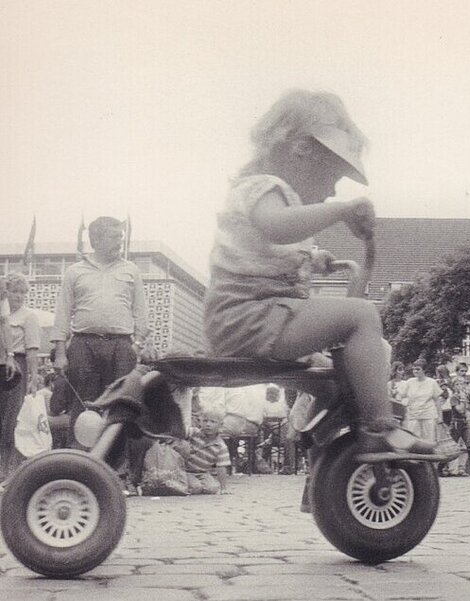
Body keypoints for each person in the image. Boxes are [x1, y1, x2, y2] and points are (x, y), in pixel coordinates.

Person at [202, 89, 433, 457]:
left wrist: (314, 257)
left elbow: (270, 247)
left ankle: (329, 456)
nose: (332, 189)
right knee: (361, 315)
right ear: (301, 149)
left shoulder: (272, 195)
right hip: (249, 319)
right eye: (332, 176)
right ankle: (379, 428)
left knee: (333, 378)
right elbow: (277, 227)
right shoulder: (261, 188)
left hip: (258, 319)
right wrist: (341, 211)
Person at [51, 216, 152, 445]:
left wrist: (136, 345)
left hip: (121, 345)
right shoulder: (75, 271)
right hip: (83, 344)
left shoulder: (131, 270)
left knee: (121, 407)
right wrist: (59, 353)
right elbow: (63, 314)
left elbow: (141, 312)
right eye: (115, 237)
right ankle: (79, 464)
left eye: (121, 237)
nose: (120, 242)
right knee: (83, 406)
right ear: (96, 239)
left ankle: (118, 470)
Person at [0, 273, 41, 480]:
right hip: (1, 365)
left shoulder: (28, 316)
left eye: (22, 292)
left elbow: (32, 350)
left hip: (18, 367)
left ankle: (10, 471)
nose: (18, 296)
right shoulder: (2, 314)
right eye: (14, 291)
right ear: (5, 292)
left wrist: (34, 377)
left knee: (12, 420)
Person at [175, 407, 231, 495]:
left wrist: (223, 488)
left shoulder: (220, 446)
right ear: (200, 422)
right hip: (185, 470)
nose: (208, 424)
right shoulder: (193, 433)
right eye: (205, 421)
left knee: (212, 488)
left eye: (213, 422)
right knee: (196, 487)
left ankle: (191, 486)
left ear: (221, 425)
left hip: (202, 473)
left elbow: (221, 468)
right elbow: (178, 430)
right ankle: (183, 483)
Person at [401, 359, 442, 443]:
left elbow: (437, 401)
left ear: (424, 370)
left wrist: (440, 416)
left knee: (429, 440)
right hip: (413, 415)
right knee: (413, 439)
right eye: (414, 369)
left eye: (418, 369)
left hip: (428, 414)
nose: (415, 371)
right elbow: (403, 397)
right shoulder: (409, 382)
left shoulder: (432, 382)